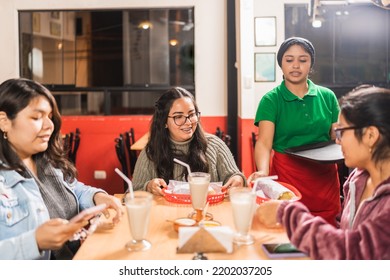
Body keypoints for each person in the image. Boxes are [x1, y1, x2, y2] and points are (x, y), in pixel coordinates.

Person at [256, 86, 390, 259]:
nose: (338, 141)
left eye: (341, 132)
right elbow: (344, 233)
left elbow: (352, 251)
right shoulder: (357, 180)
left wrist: (285, 213)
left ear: (370, 135)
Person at [0, 78, 122, 260]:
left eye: (49, 117)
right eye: (36, 117)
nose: (50, 126)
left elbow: (73, 188)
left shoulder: (43, 160)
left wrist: (97, 196)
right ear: (4, 122)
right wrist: (35, 242)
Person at [248, 37, 341, 225]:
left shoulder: (327, 96)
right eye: (289, 60)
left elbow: (337, 137)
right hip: (288, 177)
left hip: (325, 178)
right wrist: (263, 171)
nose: (296, 66)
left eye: (303, 60)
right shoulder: (271, 100)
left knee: (328, 234)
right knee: (288, 229)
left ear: (311, 64)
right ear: (281, 64)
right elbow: (264, 143)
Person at [132, 87, 246, 195]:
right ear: (164, 122)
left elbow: (235, 176)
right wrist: (148, 186)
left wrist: (238, 179)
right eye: (178, 117)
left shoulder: (215, 146)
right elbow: (132, 194)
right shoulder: (150, 153)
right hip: (168, 215)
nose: (188, 122)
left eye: (191, 114)